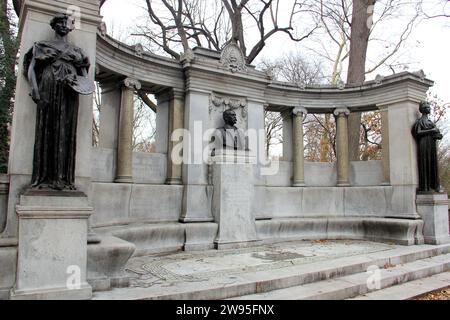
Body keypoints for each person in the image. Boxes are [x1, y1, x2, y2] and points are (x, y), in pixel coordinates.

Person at [24, 13, 93, 191]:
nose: (63, 25)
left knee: (66, 130)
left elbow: (84, 77)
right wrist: (35, 89)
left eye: (66, 23)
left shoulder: (77, 51)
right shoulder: (42, 46)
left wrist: (80, 84)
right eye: (60, 23)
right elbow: (32, 69)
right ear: (54, 26)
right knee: (48, 128)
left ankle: (64, 178)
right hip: (48, 85)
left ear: (69, 28)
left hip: (69, 89)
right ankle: (45, 177)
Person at [411, 101, 443, 193]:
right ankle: (425, 186)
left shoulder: (430, 122)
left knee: (433, 163)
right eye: (426, 107)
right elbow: (418, 133)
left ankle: (434, 185)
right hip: (423, 144)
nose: (429, 108)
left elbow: (436, 133)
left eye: (429, 107)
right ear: (422, 109)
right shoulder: (419, 122)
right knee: (425, 164)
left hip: (431, 145)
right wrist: (431, 131)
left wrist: (438, 135)